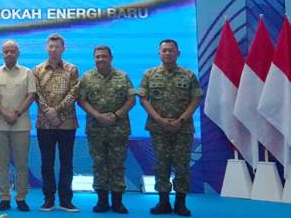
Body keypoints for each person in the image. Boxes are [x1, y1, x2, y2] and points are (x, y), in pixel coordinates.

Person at [138, 39, 202, 217]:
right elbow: (143, 99)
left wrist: (181, 120)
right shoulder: (149, 74)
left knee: (182, 165)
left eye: (171, 50)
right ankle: (163, 202)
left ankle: (181, 203)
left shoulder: (188, 75)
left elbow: (195, 99)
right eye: (164, 50)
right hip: (158, 128)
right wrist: (159, 119)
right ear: (159, 53)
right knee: (161, 164)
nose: (167, 53)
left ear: (178, 53)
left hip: (183, 128)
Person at [77, 45, 135, 214]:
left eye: (104, 56)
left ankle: (117, 202)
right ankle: (102, 201)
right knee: (98, 165)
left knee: (117, 165)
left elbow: (131, 100)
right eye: (97, 56)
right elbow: (81, 101)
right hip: (96, 129)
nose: (100, 59)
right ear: (94, 58)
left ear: (111, 58)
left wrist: (116, 115)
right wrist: (98, 116)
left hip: (119, 129)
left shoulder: (122, 76)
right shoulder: (87, 77)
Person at [33, 33, 80, 213]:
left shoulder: (72, 69)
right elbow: (36, 93)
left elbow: (74, 93)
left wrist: (57, 110)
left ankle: (66, 200)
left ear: (63, 49)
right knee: (47, 163)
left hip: (67, 123)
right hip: (44, 124)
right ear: (46, 48)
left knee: (66, 162)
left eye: (57, 47)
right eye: (50, 47)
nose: (53, 50)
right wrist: (49, 112)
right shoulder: (37, 70)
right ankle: (49, 199)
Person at [0, 40, 36, 212]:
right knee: (1, 164)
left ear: (18, 53)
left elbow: (31, 95)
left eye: (12, 51)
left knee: (21, 163)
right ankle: (4, 198)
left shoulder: (27, 73)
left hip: (21, 124)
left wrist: (16, 114)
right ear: (2, 53)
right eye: (6, 51)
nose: (9, 54)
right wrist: (5, 114)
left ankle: (21, 198)